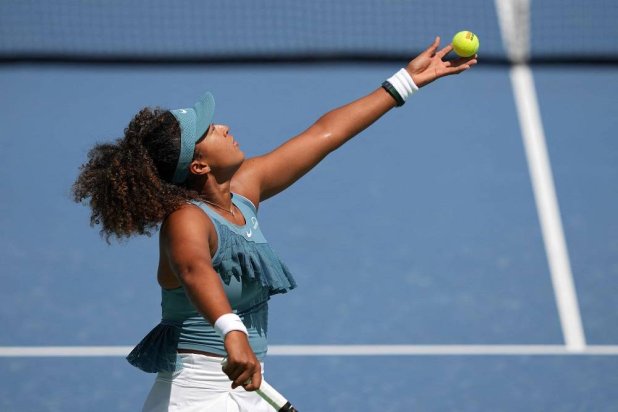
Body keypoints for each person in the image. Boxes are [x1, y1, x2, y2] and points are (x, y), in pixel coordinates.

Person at [72, 37, 476, 411]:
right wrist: (232, 331)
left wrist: (405, 81)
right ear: (199, 165)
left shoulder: (243, 192)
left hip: (244, 384)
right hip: (194, 396)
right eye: (210, 130)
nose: (223, 126)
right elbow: (196, 270)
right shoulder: (186, 220)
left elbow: (324, 134)